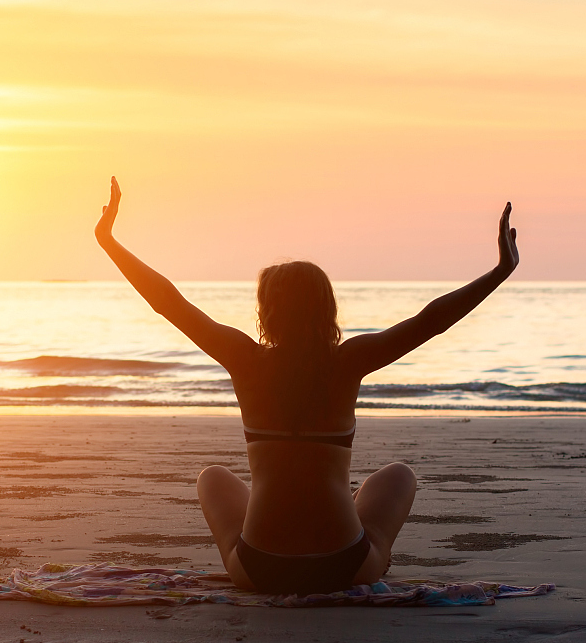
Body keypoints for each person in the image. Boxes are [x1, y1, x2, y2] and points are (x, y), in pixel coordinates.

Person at [94, 180, 520, 594]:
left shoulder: (244, 359)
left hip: (260, 569)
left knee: (213, 478)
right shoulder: (348, 361)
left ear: (266, 311)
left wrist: (109, 241)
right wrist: (499, 272)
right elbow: (430, 321)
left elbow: (169, 302)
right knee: (399, 477)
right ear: (327, 307)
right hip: (344, 566)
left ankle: (253, 551)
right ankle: (376, 554)